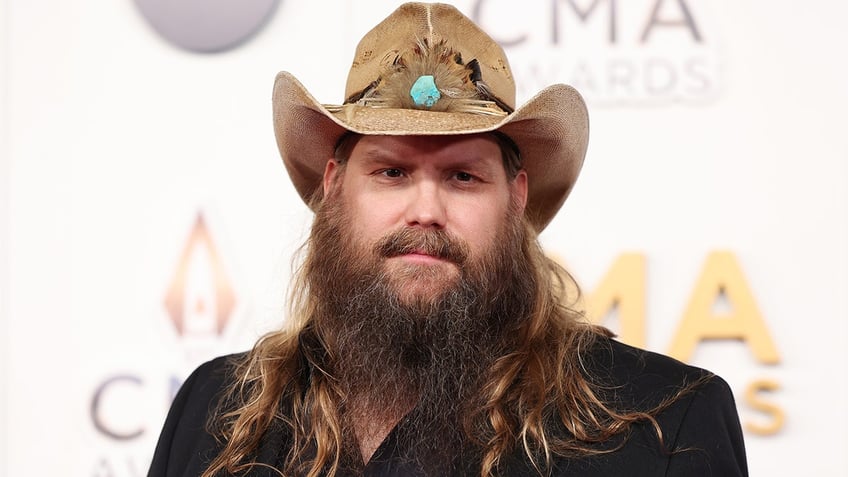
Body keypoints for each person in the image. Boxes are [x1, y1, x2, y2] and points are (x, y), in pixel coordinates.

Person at [148, 3, 748, 476]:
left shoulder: (667, 424)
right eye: (391, 173)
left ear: (515, 197)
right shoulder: (215, 414)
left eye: (463, 176)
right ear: (333, 187)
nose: (426, 210)